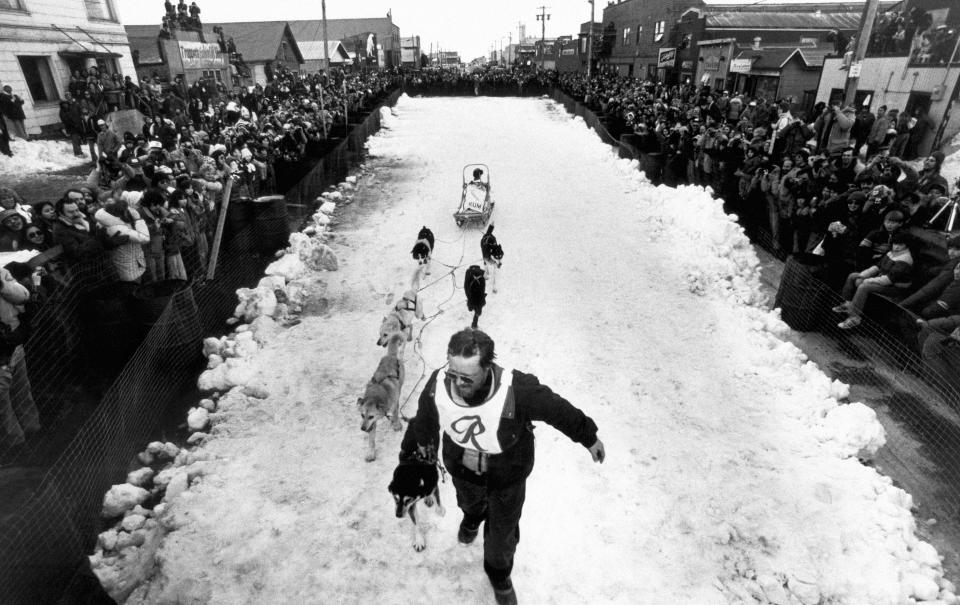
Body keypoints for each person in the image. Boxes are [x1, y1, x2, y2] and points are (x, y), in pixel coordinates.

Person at [399, 329, 606, 605]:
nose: (458, 383)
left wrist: (588, 436)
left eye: (467, 378)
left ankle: (498, 575)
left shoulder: (514, 389)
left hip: (507, 475)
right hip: (463, 469)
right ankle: (473, 517)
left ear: (487, 367)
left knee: (502, 535)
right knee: (469, 503)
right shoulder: (438, 383)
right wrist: (419, 451)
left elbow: (556, 409)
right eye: (453, 375)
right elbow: (425, 419)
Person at [835, 230, 914, 329]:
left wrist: (868, 280)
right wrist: (863, 275)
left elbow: (889, 279)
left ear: (906, 245)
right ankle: (848, 304)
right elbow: (877, 267)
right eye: (895, 244)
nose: (896, 247)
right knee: (853, 276)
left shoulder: (905, 260)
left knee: (864, 287)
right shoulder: (892, 253)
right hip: (883, 280)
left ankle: (854, 318)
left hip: (894, 288)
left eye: (900, 245)